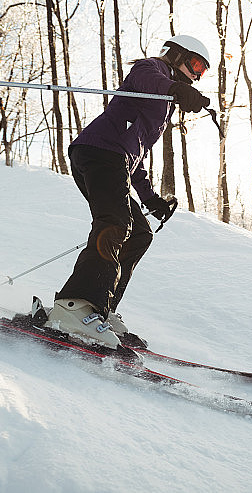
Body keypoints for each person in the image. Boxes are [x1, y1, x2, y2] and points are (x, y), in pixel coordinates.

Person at [44, 35, 211, 351]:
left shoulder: (162, 105)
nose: (197, 74)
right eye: (197, 65)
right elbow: (145, 77)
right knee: (115, 223)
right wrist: (178, 90)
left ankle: (101, 308)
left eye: (202, 71)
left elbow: (135, 156)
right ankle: (74, 307)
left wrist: (151, 200)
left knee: (140, 234)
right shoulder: (153, 70)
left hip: (114, 158)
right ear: (177, 56)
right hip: (99, 151)